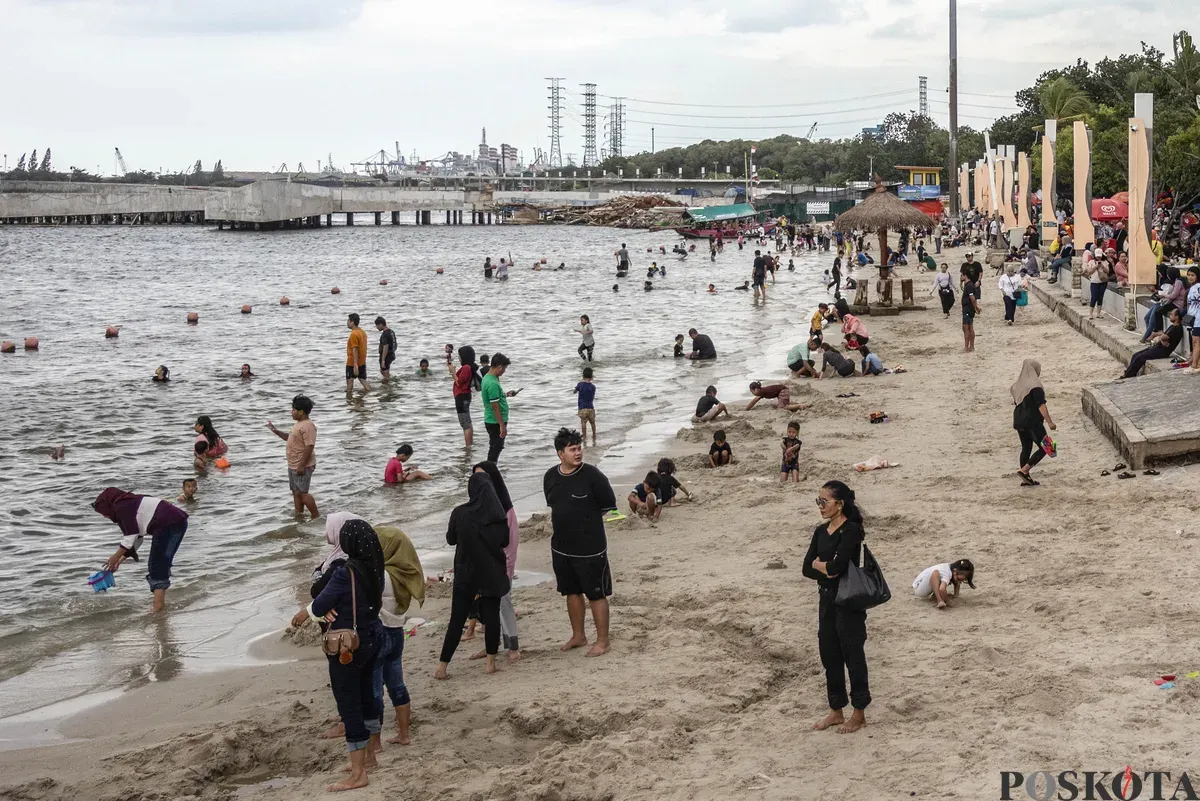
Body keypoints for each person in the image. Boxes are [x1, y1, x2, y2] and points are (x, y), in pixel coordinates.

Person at [291, 519, 385, 790]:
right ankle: (370, 758)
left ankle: (358, 774)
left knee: (349, 705)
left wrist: (309, 612)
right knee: (368, 696)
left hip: (348, 645)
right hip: (373, 636)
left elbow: (320, 603)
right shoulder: (375, 566)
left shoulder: (346, 572)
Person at [802, 480, 870, 734]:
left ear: (839, 504)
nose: (820, 506)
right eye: (818, 501)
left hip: (848, 601)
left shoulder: (851, 530)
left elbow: (837, 567)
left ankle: (859, 713)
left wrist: (822, 566)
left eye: (824, 502)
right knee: (829, 654)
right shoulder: (821, 531)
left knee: (853, 655)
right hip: (826, 599)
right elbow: (806, 567)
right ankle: (836, 710)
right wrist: (825, 568)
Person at [543, 428, 618, 657]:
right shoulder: (550, 476)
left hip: (590, 548)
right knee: (571, 591)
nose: (578, 453)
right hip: (562, 547)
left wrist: (585, 523)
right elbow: (554, 504)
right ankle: (578, 636)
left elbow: (607, 505)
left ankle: (603, 641)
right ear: (560, 454)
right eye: (572, 449)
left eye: (579, 448)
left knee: (596, 594)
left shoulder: (593, 476)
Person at [434, 473, 510, 679]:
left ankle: (442, 667)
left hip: (466, 572)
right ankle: (490, 664)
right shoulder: (498, 515)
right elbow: (504, 542)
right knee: (492, 617)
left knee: (457, 619)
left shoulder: (460, 513)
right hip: (492, 571)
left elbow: (451, 539)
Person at [92, 488, 189, 612]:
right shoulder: (129, 503)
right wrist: (119, 561)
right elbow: (137, 539)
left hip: (167, 525)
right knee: (162, 562)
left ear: (108, 505)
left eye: (103, 512)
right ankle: (160, 604)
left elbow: (130, 537)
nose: (105, 516)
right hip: (179, 522)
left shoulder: (122, 507)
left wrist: (115, 557)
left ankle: (158, 607)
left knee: (156, 566)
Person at [471, 462, 521, 661]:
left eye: (484, 477)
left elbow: (511, 544)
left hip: (501, 564)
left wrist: (504, 569)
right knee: (487, 606)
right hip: (483, 564)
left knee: (504, 601)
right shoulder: (478, 506)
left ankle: (513, 646)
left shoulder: (505, 509)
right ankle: (491, 646)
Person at [267, 395, 318, 518]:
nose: (291, 412)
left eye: (293, 410)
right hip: (293, 465)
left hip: (303, 465)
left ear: (301, 412)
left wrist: (301, 465)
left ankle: (316, 515)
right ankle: (298, 514)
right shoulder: (298, 424)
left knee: (303, 493)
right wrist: (276, 431)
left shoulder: (307, 426)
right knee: (295, 492)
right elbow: (289, 438)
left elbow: (309, 446)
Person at [1011, 360, 1056, 486]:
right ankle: (1024, 470)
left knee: (1026, 448)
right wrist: (1050, 422)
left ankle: (1026, 478)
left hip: (1018, 420)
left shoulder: (1016, 386)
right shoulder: (1036, 386)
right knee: (1049, 447)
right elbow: (1041, 405)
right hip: (1032, 421)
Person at [1123, 307, 1184, 379]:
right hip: (1158, 347)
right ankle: (1127, 373)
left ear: (1177, 317)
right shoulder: (1172, 326)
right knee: (1135, 355)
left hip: (1162, 351)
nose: (1169, 315)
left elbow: (1162, 336)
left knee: (1140, 357)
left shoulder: (1177, 329)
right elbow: (1163, 336)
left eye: (1172, 314)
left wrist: (1159, 336)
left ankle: (1128, 376)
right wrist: (1162, 338)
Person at [482, 353, 519, 462]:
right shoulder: (492, 383)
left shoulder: (488, 377)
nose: (504, 371)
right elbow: (495, 406)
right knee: (495, 448)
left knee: (495, 447)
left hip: (492, 419)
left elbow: (494, 397)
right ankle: (490, 469)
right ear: (499, 366)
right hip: (495, 421)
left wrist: (506, 394)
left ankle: (491, 468)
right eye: (504, 368)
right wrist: (502, 425)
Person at [448, 346, 480, 448]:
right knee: (467, 421)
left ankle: (468, 447)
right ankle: (470, 445)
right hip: (464, 396)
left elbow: (459, 382)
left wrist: (453, 371)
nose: (459, 358)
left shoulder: (466, 367)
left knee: (465, 423)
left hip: (462, 397)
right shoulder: (469, 367)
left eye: (460, 355)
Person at [1081, 244, 1109, 319]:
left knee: (1100, 297)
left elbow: (1107, 271)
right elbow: (1089, 272)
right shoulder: (1091, 262)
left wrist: (1102, 266)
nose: (1098, 257)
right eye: (1097, 256)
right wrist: (1095, 267)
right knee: (1094, 297)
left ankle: (1098, 313)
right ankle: (1090, 313)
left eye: (1099, 256)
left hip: (1103, 282)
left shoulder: (1105, 262)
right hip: (1094, 282)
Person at [345, 314, 370, 393]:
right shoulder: (362, 332)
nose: (347, 323)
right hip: (362, 361)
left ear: (352, 322)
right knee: (362, 379)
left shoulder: (354, 334)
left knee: (350, 381)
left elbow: (355, 349)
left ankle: (349, 397)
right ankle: (369, 393)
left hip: (352, 362)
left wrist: (355, 365)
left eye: (348, 321)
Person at [575, 366, 597, 445]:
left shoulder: (580, 384)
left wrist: (576, 390)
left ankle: (584, 436)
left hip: (582, 408)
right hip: (591, 407)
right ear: (591, 377)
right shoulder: (593, 387)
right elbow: (592, 397)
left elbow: (575, 390)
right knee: (592, 423)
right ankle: (594, 435)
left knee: (583, 422)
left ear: (583, 376)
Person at [962, 271, 980, 353]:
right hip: (968, 309)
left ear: (965, 276)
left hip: (968, 309)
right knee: (969, 327)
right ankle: (971, 346)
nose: (960, 277)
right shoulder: (969, 285)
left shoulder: (969, 286)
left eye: (962, 275)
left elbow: (972, 298)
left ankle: (967, 347)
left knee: (966, 328)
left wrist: (976, 307)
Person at [374, 316, 396, 381]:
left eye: (377, 325)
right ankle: (391, 380)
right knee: (383, 371)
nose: (376, 327)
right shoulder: (391, 332)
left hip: (386, 355)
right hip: (391, 353)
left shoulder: (385, 334)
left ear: (381, 324)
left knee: (384, 372)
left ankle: (387, 384)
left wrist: (383, 360)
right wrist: (393, 351)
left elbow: (385, 346)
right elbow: (395, 343)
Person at [1187, 266, 1200, 373]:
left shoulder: (1196, 288)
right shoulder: (1192, 288)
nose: (1190, 277)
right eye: (1189, 275)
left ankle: (1194, 366)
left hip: (1198, 319)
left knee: (1196, 342)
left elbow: (1194, 305)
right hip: (1194, 319)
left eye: (1193, 275)